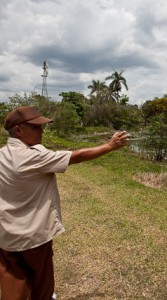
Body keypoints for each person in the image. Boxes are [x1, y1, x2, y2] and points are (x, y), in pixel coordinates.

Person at [0, 106, 130, 300]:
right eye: (36, 128)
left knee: (14, 278)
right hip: (32, 236)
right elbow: (75, 156)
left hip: (6, 234)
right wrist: (109, 146)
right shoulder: (31, 157)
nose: (42, 131)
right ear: (18, 130)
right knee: (42, 281)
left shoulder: (3, 154)